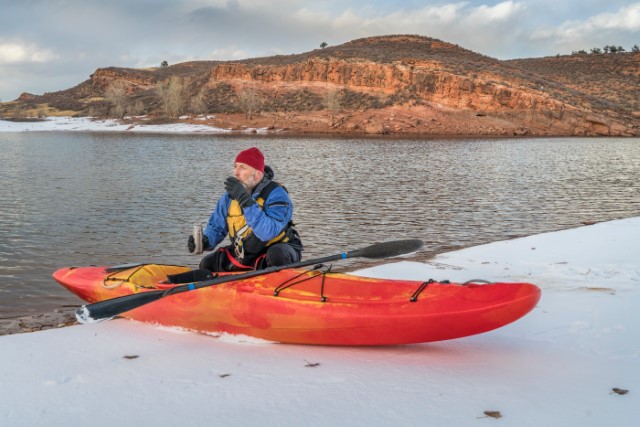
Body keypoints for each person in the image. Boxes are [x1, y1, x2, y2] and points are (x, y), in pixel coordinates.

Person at [188, 147, 303, 272]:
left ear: (258, 174)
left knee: (277, 255)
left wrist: (245, 201)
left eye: (242, 168)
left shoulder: (277, 194)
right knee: (207, 264)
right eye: (235, 166)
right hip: (246, 253)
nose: (236, 173)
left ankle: (277, 285)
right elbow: (216, 228)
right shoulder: (228, 198)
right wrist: (205, 241)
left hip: (277, 250)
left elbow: (268, 232)